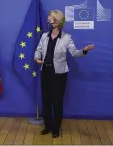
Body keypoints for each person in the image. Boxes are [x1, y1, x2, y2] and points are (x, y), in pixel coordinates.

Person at [34, 10, 94, 138]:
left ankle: (56, 129)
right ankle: (47, 127)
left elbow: (74, 52)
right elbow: (38, 50)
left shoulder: (67, 37)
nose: (48, 19)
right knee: (46, 101)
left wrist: (83, 51)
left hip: (59, 75)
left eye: (51, 17)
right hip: (45, 72)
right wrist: (36, 58)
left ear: (57, 20)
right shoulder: (44, 36)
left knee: (57, 102)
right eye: (49, 17)